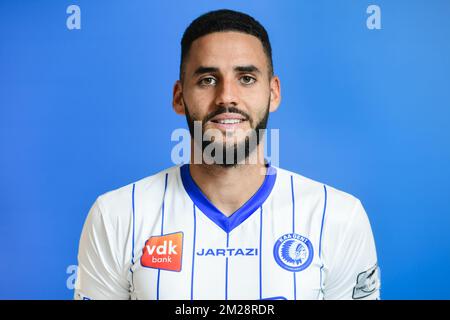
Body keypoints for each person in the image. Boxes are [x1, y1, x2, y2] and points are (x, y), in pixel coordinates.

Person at [74, 9, 380, 300]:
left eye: (246, 78)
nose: (226, 97)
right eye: (207, 79)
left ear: (273, 93)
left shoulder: (338, 217)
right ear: (179, 97)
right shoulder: (116, 215)